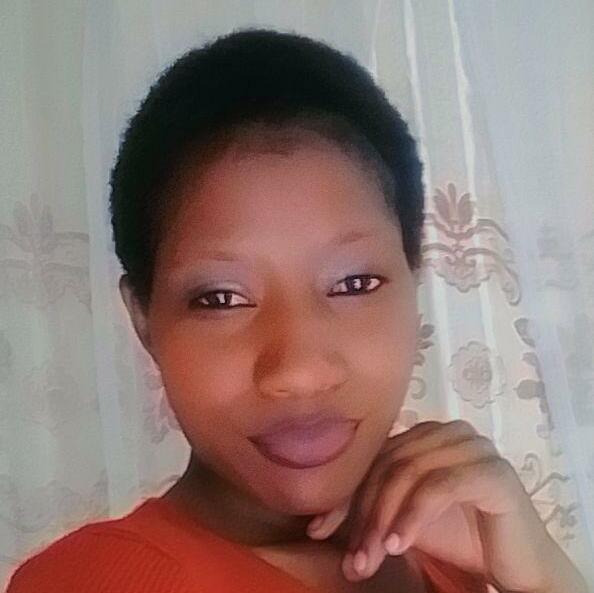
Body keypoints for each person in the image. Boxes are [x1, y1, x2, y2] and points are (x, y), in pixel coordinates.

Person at [7, 27, 588, 593]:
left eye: (354, 283)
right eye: (221, 299)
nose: (299, 372)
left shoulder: (452, 547)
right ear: (144, 321)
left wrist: (543, 577)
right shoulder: (101, 581)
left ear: (413, 279)